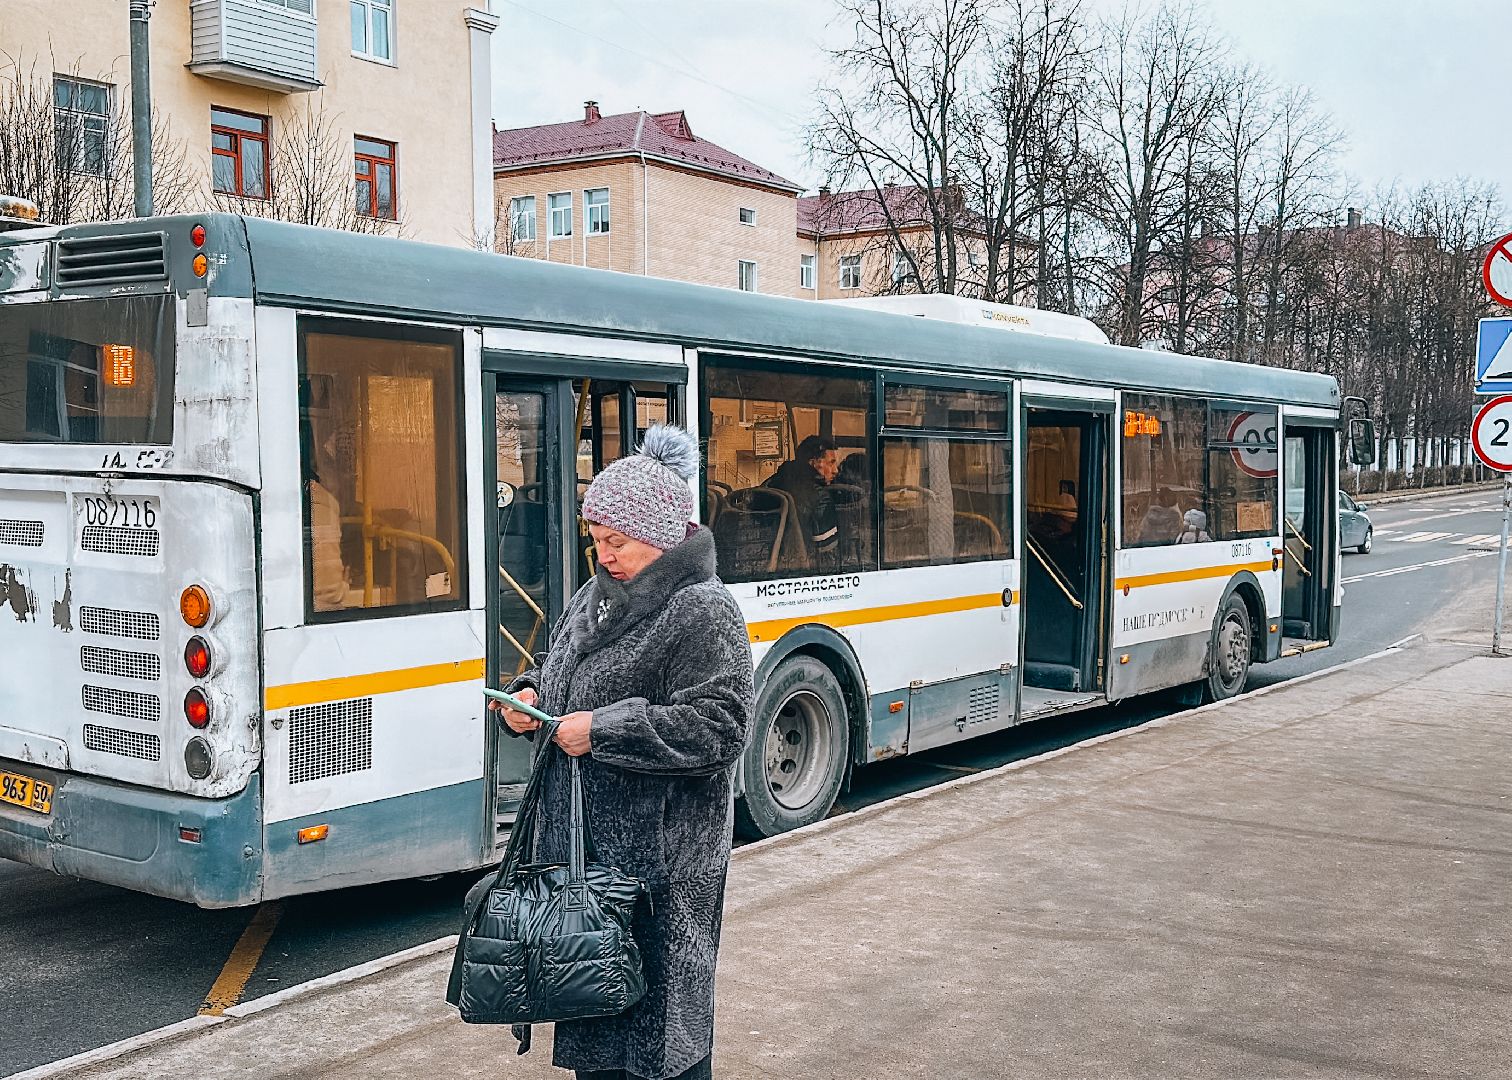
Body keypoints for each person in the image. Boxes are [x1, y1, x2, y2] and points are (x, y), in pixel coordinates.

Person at [490, 425, 754, 1080]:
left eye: (617, 541)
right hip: (587, 867)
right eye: (596, 539)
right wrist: (531, 697)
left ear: (660, 535)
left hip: (660, 872)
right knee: (597, 1029)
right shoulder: (597, 595)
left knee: (659, 1042)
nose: (603, 554)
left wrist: (603, 731)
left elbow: (720, 728)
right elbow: (565, 671)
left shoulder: (704, 610)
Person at [763, 434, 840, 567]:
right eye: (831, 463)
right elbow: (827, 555)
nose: (835, 470)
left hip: (765, 563)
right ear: (814, 463)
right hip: (802, 568)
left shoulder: (770, 484)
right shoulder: (820, 496)